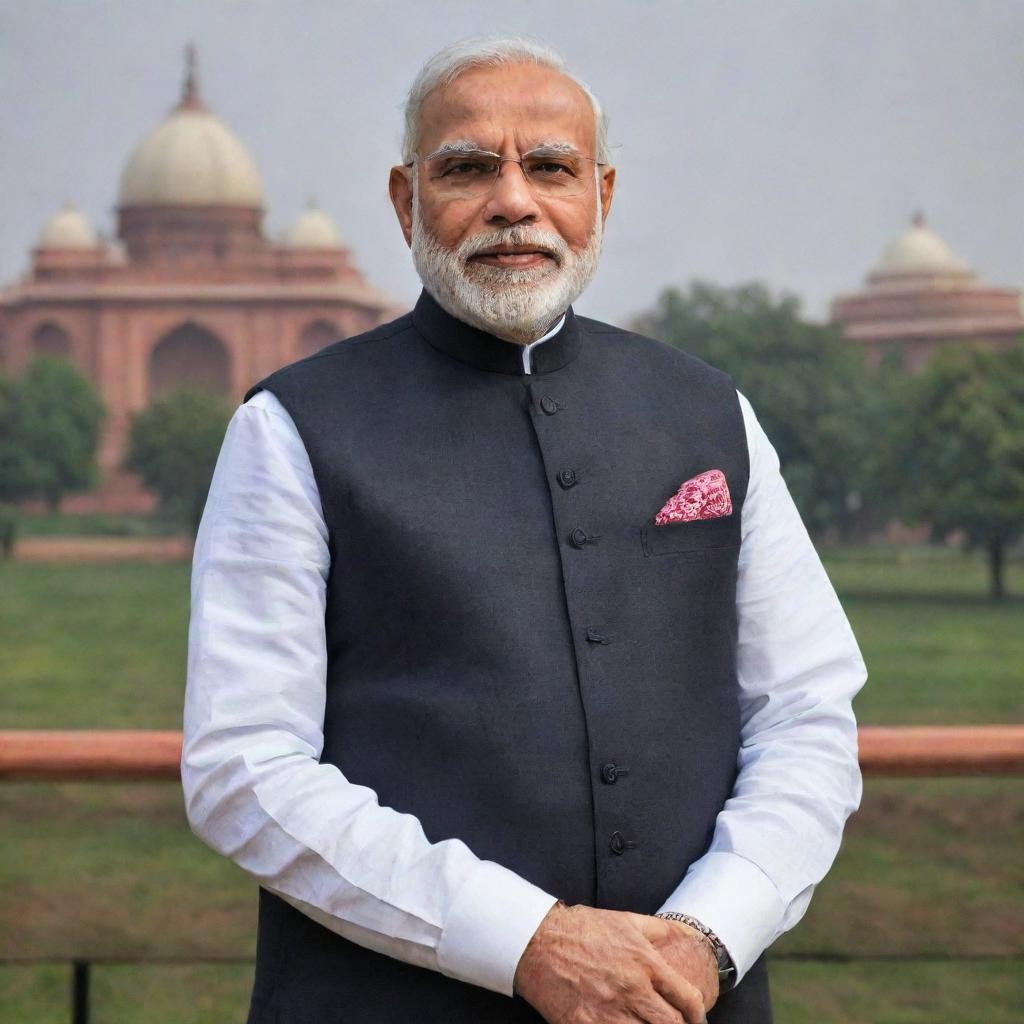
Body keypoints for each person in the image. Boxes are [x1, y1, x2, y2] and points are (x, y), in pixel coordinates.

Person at [182, 34, 866, 1024]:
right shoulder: (295, 427)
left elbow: (805, 713)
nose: (513, 200)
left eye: (550, 166)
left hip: (687, 1000)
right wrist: (528, 942)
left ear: (602, 196)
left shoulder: (706, 411)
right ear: (405, 198)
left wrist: (704, 935)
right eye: (467, 168)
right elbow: (246, 764)